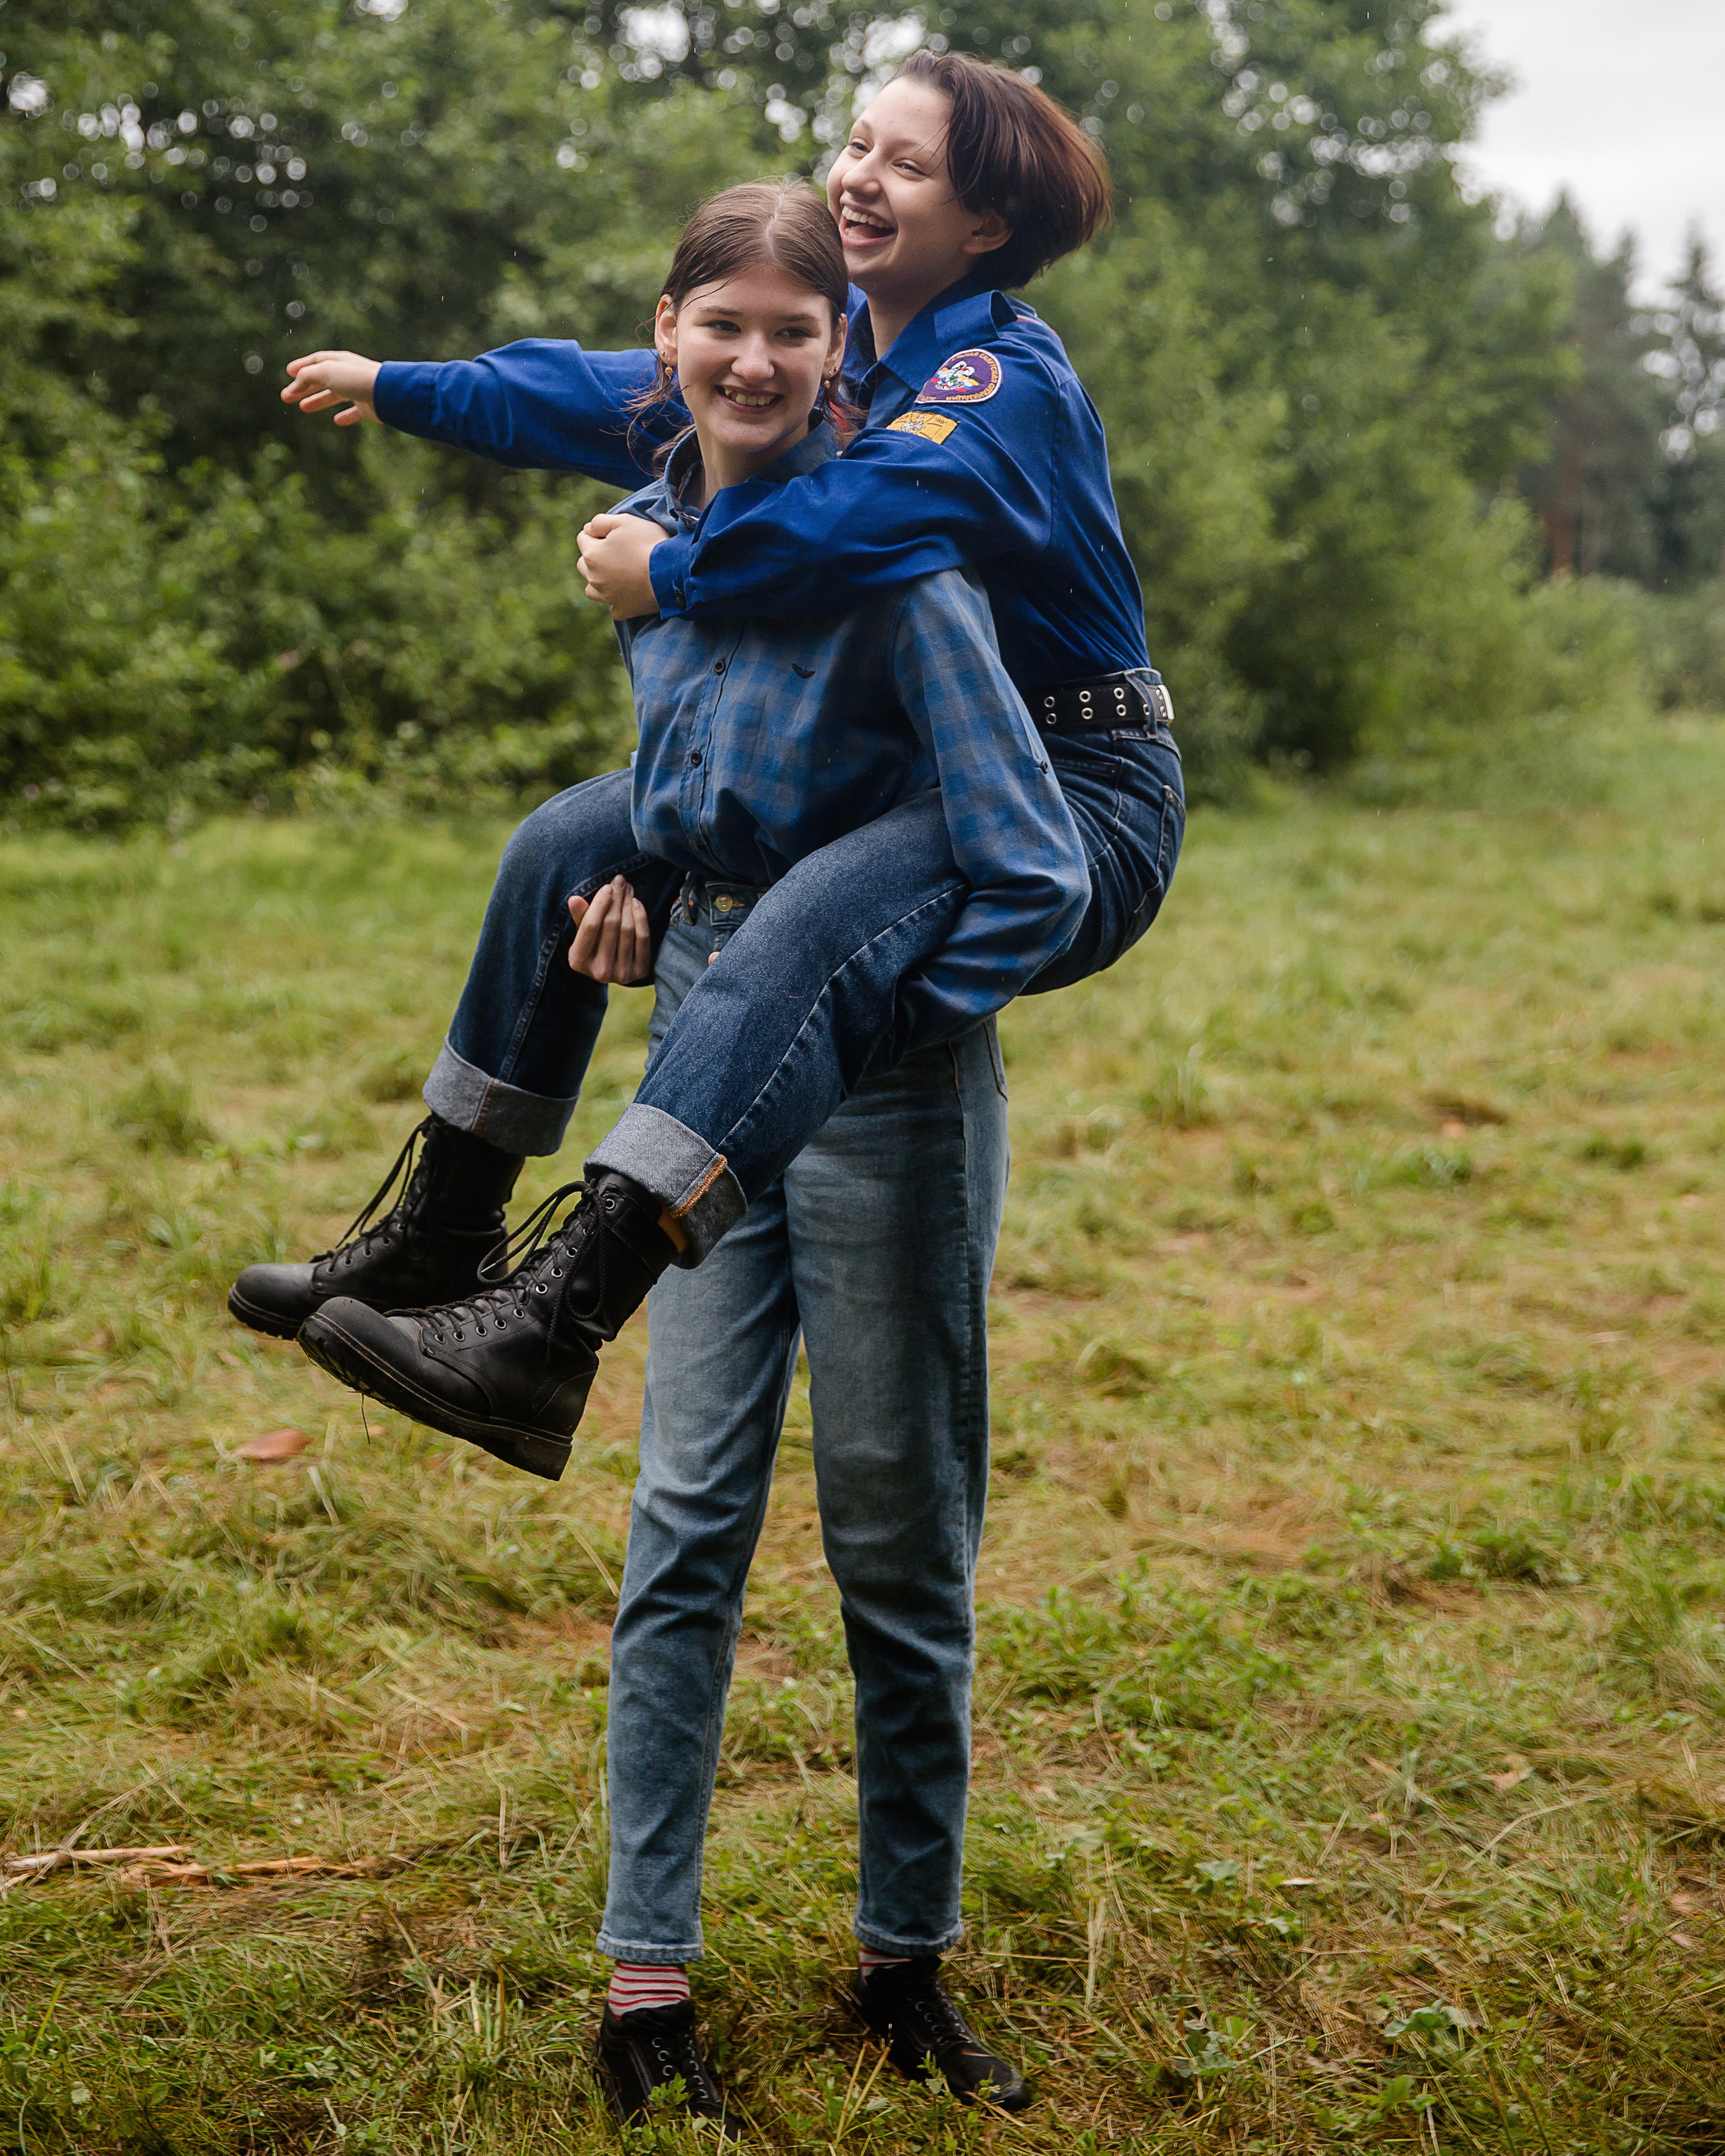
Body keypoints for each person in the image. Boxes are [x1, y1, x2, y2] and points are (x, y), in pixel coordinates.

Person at [302, 182, 1059, 2125]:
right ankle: (646, 1990)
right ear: (666, 339)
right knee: (682, 1534)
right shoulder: (652, 544)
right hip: (696, 1079)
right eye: (721, 324)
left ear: (836, 361)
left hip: (886, 1106)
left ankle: (904, 1965)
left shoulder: (897, 558)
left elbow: (1020, 856)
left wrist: (881, 1013)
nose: (753, 359)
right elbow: (701, 789)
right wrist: (641, 882)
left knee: (898, 1544)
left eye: (796, 333)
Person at [227, 51, 1182, 1476]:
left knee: (805, 925)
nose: (858, 177)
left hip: (1068, 784)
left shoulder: (996, 383)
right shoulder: (842, 354)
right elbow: (621, 388)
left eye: (907, 163)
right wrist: (406, 387)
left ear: (986, 223)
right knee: (562, 843)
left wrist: (670, 572)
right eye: (857, 143)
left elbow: (866, 521)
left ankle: (554, 1324)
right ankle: (447, 1227)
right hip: (902, 763)